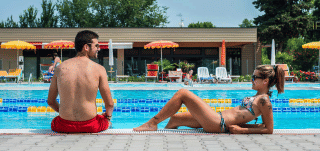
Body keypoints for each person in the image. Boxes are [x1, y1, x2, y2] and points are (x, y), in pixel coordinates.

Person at [134, 65, 284, 134]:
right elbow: (257, 125)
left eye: (254, 77)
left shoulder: (265, 101)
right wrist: (242, 127)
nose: (252, 80)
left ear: (265, 81)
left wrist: (241, 131)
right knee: (175, 118)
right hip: (217, 118)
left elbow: (268, 129)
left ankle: (152, 124)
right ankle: (163, 140)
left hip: (218, 123)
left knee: (183, 93)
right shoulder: (258, 97)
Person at [48, 30, 114, 133]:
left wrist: (63, 112)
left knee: (55, 121)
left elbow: (51, 101)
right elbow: (109, 104)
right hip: (91, 125)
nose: (99, 49)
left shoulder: (60, 68)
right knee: (106, 121)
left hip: (64, 125)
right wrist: (108, 118)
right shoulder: (99, 69)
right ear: (86, 47)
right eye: (96, 46)